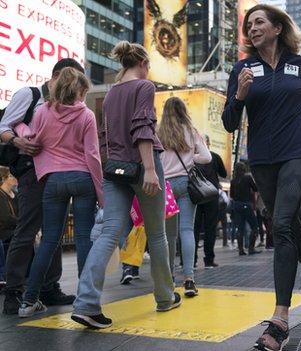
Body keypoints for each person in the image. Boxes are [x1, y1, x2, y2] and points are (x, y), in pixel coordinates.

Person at [221, 5, 301, 350]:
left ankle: (280, 320)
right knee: (287, 227)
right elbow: (229, 121)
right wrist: (240, 96)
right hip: (262, 159)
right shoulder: (242, 68)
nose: (253, 27)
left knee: (283, 225)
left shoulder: (299, 63)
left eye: (260, 22)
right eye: (249, 23)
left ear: (276, 28)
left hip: (297, 153)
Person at [71, 41, 180, 329]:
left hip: (114, 169)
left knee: (108, 233)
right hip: (141, 165)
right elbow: (142, 128)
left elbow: (105, 137)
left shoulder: (111, 94)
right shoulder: (144, 87)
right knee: (157, 235)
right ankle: (165, 297)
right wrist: (149, 170)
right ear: (143, 63)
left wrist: (111, 165)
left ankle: (85, 304)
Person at [14, 67, 103, 317]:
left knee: (49, 241)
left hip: (53, 181)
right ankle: (86, 302)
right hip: (83, 179)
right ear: (79, 90)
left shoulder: (43, 111)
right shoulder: (86, 115)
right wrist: (101, 193)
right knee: (84, 239)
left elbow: (32, 136)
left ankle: (28, 300)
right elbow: (93, 156)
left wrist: (19, 128)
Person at [0, 58, 83, 315]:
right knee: (27, 228)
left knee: (54, 231)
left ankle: (49, 286)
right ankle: (14, 291)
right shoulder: (30, 94)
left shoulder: (68, 102)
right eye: (69, 78)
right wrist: (18, 142)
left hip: (57, 170)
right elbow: (3, 126)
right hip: (31, 170)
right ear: (56, 75)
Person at [157, 96, 211, 297]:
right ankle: (189, 279)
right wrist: (190, 159)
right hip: (186, 184)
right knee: (187, 230)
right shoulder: (191, 131)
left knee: (168, 234)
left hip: (166, 187)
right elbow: (207, 157)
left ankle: (169, 277)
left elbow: (155, 161)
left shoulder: (159, 133)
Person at [194, 134, 227, 268]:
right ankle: (209, 260)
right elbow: (224, 174)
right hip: (211, 196)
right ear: (209, 143)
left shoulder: (192, 158)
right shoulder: (214, 156)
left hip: (195, 196)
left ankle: (191, 261)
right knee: (210, 228)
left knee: (192, 229)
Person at [229, 162, 261, 256]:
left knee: (240, 229)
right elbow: (255, 189)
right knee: (255, 227)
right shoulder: (247, 178)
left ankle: (241, 250)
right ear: (244, 169)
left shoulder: (233, 181)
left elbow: (232, 195)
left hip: (237, 206)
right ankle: (251, 248)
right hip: (247, 205)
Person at [0, 167, 18, 291]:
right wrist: (23, 224)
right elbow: (6, 218)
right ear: (4, 179)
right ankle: (3, 277)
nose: (14, 178)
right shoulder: (1, 196)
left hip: (12, 229)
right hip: (5, 231)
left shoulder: (15, 195)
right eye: (11, 176)